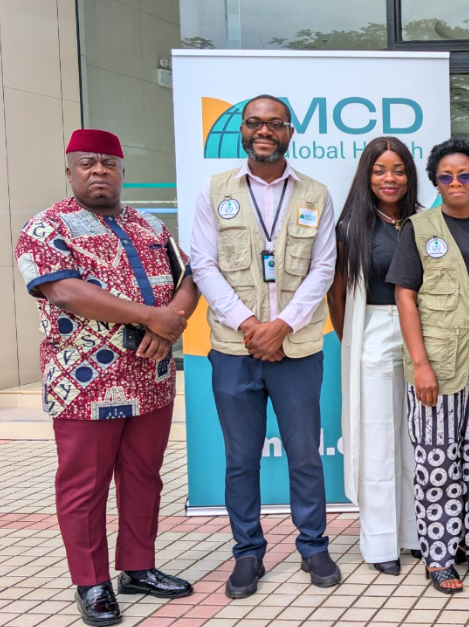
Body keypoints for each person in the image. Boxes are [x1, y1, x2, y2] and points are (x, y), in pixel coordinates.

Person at [15, 129, 197, 626]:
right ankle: (91, 582)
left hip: (151, 377)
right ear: (70, 170)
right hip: (84, 384)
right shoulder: (46, 226)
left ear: (121, 171)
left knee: (144, 478)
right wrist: (149, 317)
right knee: (85, 485)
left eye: (108, 164)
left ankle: (137, 567)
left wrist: (168, 323)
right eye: (87, 163)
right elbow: (65, 290)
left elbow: (188, 280)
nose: (99, 172)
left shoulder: (151, 225)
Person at [190, 94, 342, 597]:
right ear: (242, 130)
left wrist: (282, 326)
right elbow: (203, 264)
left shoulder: (316, 193)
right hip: (234, 348)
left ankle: (314, 547)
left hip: (297, 349)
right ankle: (247, 553)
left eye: (273, 123)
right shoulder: (215, 190)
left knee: (304, 454)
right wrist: (250, 323)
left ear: (290, 132)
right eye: (254, 122)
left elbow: (324, 267)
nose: (263, 131)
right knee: (240, 458)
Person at [388, 138, 469, 594]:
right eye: (446, 176)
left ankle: (468, 540)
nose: (456, 183)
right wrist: (420, 364)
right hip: (436, 363)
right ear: (436, 181)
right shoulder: (418, 228)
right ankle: (438, 552)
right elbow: (405, 297)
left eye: (465, 176)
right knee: (437, 462)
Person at [328, 137, 422, 576]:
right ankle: (381, 541)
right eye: (380, 170)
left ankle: (416, 533)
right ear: (367, 175)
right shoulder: (351, 228)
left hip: (423, 338)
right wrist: (356, 344)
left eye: (398, 169)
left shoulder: (426, 221)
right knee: (380, 440)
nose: (390, 178)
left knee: (419, 441)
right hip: (374, 335)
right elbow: (338, 297)